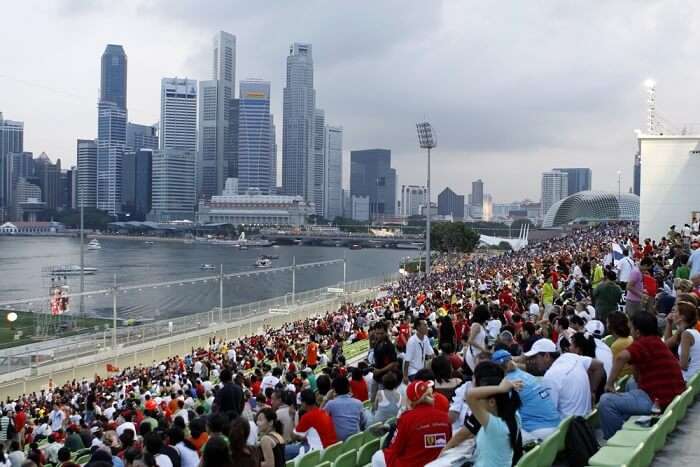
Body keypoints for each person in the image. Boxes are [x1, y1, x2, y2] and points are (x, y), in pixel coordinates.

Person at [600, 311, 686, 439]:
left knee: (606, 401)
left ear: (638, 332)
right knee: (631, 383)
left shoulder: (643, 343)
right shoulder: (656, 341)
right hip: (669, 395)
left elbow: (620, 358)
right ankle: (627, 425)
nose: (629, 331)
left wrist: (610, 383)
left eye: (631, 328)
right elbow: (636, 376)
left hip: (657, 401)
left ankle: (615, 439)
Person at [372, 380, 451, 467]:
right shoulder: (445, 417)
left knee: (377, 456)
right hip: (437, 462)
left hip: (412, 463)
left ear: (410, 399)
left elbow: (395, 449)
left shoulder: (407, 418)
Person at [523, 338, 605, 418]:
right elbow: (599, 365)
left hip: (572, 427)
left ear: (547, 356)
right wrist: (592, 392)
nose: (533, 361)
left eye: (535, 357)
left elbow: (548, 411)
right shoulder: (571, 357)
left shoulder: (550, 376)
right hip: (586, 418)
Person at [492, 350, 560, 443]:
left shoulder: (509, 382)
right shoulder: (525, 375)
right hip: (557, 426)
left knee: (502, 428)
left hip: (541, 432)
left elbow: (501, 414)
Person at [466, 362, 523, 467]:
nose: (478, 402)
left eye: (480, 399)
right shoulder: (514, 416)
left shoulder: (495, 426)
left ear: (492, 402)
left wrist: (500, 389)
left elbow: (469, 395)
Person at [289, 389, 337, 458]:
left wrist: (292, 418)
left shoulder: (307, 417)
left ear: (304, 403)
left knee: (283, 451)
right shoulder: (324, 412)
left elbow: (293, 436)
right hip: (331, 449)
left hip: (319, 451)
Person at [664, 300, 700, 381]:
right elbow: (667, 344)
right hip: (694, 379)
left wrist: (667, 360)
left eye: (675, 311)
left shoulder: (686, 334)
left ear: (682, 317)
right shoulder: (691, 332)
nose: (672, 314)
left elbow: (683, 365)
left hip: (687, 379)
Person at [322, 376, 366, 441]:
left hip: (340, 443)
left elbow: (318, 417)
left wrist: (326, 399)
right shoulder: (358, 403)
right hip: (356, 440)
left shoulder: (331, 404)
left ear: (334, 390)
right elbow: (363, 422)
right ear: (348, 387)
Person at [403, 318, 435, 384]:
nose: (427, 327)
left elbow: (431, 353)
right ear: (418, 327)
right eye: (425, 325)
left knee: (432, 381)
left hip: (421, 370)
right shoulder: (412, 341)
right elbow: (407, 360)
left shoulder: (425, 338)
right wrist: (405, 376)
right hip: (412, 371)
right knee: (422, 386)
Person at [606, 312, 634, 378]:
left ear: (612, 325)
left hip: (620, 380)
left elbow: (613, 368)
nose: (606, 325)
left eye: (607, 322)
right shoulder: (631, 339)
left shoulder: (616, 345)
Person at [465, 305, 489, 372]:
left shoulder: (481, 325)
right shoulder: (476, 326)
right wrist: (483, 349)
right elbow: (470, 340)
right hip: (474, 354)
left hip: (478, 353)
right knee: (478, 373)